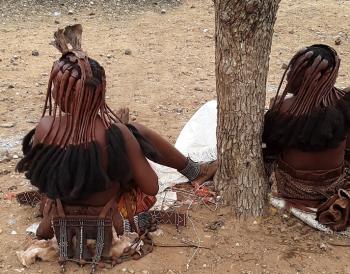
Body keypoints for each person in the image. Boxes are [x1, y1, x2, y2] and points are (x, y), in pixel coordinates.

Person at [16, 25, 217, 240]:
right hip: (109, 221)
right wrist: (123, 142)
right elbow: (151, 186)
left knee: (129, 135)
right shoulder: (115, 132)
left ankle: (61, 214)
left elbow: (44, 177)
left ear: (60, 94)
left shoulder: (45, 127)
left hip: (59, 218)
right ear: (100, 92)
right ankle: (193, 171)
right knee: (136, 132)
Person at [263, 44, 350, 219]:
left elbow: (268, 151)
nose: (288, 76)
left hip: (292, 188)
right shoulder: (344, 103)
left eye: (295, 71)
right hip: (334, 185)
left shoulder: (282, 109)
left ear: (310, 77)